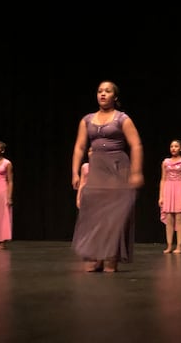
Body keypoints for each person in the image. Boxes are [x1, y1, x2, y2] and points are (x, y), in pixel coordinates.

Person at [71, 80, 144, 273]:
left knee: (113, 215)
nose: (103, 94)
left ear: (115, 97)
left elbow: (136, 144)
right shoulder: (87, 120)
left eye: (107, 91)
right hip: (97, 170)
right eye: (100, 91)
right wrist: (75, 171)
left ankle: (111, 257)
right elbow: (79, 147)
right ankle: (95, 256)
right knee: (94, 213)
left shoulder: (122, 119)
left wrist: (136, 172)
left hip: (117, 169)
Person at [158, 139, 181, 254]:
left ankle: (179, 246)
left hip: (179, 189)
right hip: (168, 188)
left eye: (176, 146)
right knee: (169, 219)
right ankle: (169, 245)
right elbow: (162, 179)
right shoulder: (165, 162)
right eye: (172, 146)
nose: (173, 148)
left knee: (179, 218)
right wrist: (161, 196)